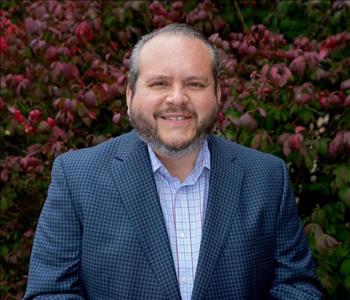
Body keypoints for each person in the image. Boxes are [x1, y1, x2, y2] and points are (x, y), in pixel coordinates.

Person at [24, 23, 323, 299]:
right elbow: (50, 292)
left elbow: (297, 286)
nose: (177, 98)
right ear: (130, 96)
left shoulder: (267, 177)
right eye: (159, 84)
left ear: (217, 93)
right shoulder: (77, 178)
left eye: (194, 84)